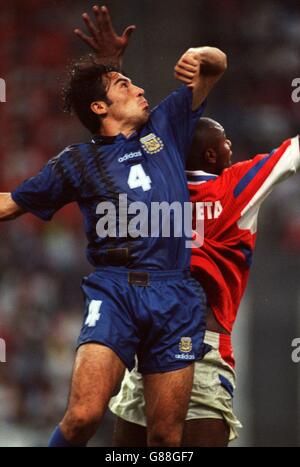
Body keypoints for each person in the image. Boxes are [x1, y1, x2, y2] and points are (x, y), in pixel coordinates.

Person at [0, 5, 227, 447]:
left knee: (165, 439)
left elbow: (217, 65)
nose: (141, 87)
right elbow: (10, 205)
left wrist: (200, 53)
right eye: (125, 84)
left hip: (175, 294)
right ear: (101, 107)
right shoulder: (76, 162)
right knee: (83, 416)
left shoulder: (167, 124)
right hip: (115, 290)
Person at [110, 117, 300, 447]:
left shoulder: (151, 195)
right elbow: (292, 153)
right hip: (202, 349)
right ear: (210, 156)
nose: (231, 146)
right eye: (224, 140)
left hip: (148, 345)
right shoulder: (235, 187)